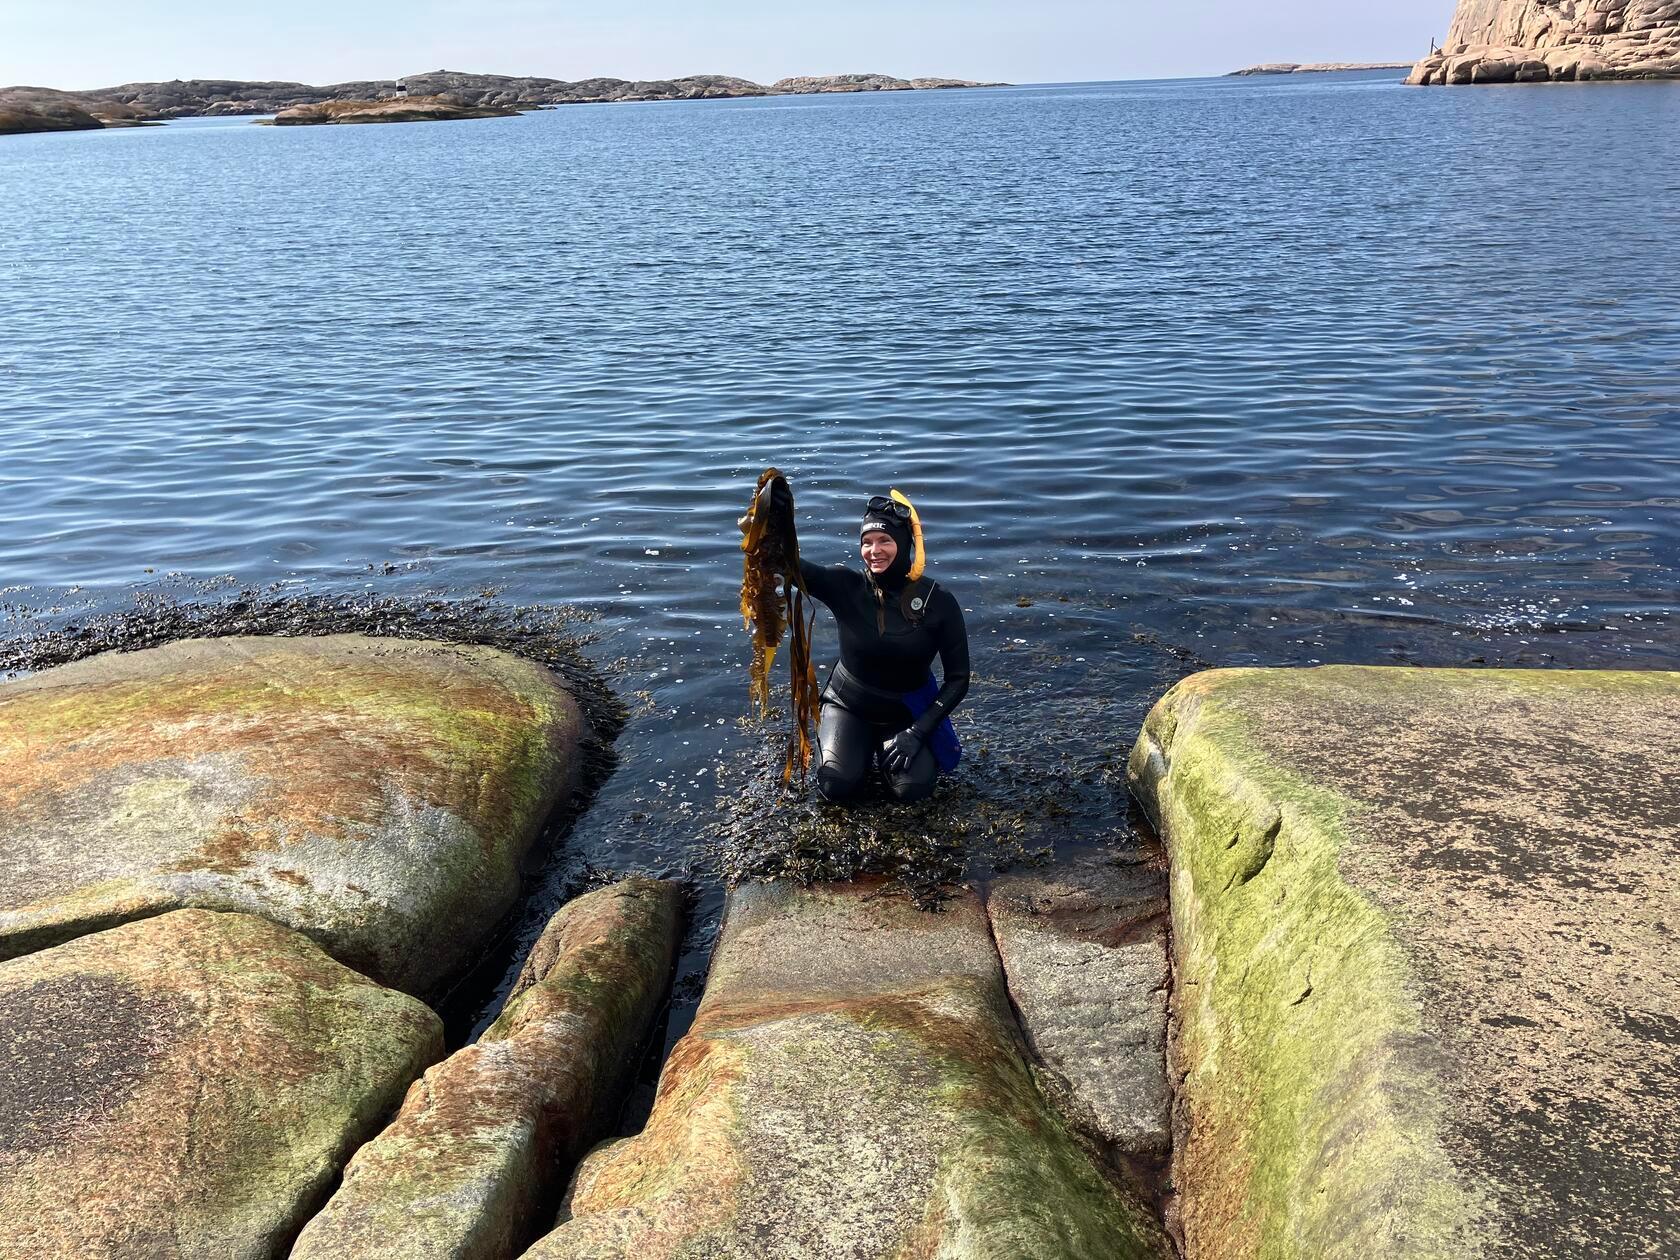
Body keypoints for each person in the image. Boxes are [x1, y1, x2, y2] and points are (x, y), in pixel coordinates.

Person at [771, 482, 970, 804]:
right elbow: (787, 564)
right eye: (867, 542)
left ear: (905, 543)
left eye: (884, 541)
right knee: (838, 786)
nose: (874, 550)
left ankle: (889, 747)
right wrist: (777, 517)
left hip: (907, 711)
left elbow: (959, 678)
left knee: (912, 791)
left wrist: (917, 732)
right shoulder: (846, 586)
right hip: (849, 705)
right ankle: (855, 747)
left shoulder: (940, 602)